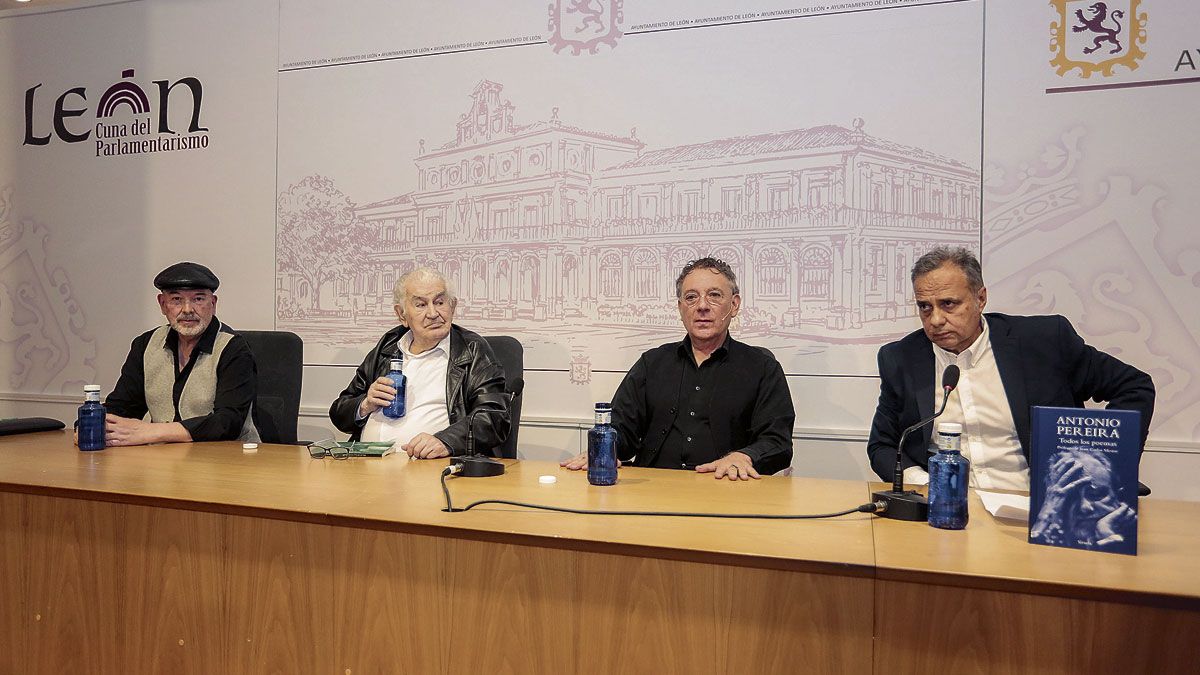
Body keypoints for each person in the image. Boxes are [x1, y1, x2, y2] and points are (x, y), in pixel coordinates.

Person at [867, 246, 1155, 490]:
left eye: (949, 304)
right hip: (949, 511)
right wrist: (927, 484)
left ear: (980, 299)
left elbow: (1134, 386)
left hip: (1038, 506)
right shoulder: (901, 359)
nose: (936, 319)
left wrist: (1107, 462)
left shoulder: (1043, 342)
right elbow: (883, 446)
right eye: (925, 307)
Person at [561, 257, 795, 480]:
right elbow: (622, 429)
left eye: (714, 295)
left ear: (734, 305)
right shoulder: (652, 363)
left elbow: (778, 442)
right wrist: (603, 450)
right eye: (691, 297)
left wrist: (744, 457)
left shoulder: (762, 368)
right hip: (654, 491)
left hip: (727, 490)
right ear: (680, 307)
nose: (702, 306)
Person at [329, 267, 509, 459]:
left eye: (440, 302)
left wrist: (446, 441)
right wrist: (364, 404)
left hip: (428, 469)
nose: (433, 313)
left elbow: (494, 416)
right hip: (365, 464)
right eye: (421, 305)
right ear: (402, 315)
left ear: (453, 306)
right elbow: (339, 413)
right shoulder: (387, 347)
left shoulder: (472, 350)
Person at [102, 262, 258, 446]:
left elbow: (228, 422)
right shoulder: (145, 344)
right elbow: (123, 406)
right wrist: (91, 426)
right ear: (162, 304)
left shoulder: (234, 348)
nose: (187, 310)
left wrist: (152, 431)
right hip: (162, 463)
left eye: (198, 299)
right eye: (176, 300)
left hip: (224, 460)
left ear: (213, 303)